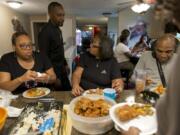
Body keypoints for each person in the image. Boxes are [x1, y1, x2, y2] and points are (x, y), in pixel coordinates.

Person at [38, 2, 71, 90]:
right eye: (59, 15)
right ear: (50, 14)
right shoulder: (45, 32)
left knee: (69, 92)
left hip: (62, 70)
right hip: (54, 73)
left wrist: (65, 64)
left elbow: (59, 50)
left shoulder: (58, 30)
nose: (62, 18)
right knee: (59, 98)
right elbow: (43, 57)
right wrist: (54, 78)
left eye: (63, 15)